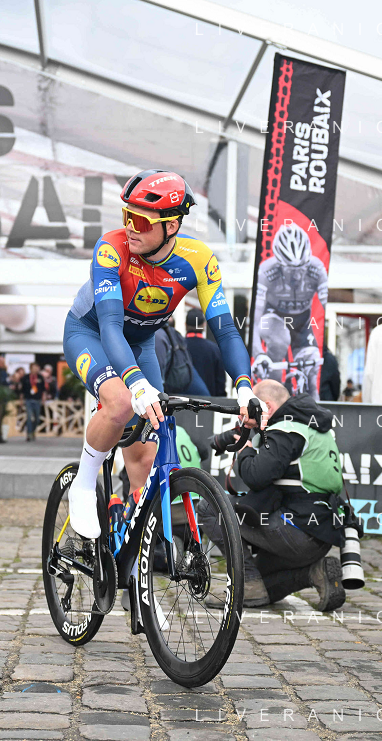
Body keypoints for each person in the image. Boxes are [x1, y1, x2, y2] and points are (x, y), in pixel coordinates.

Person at [62, 169, 256, 539]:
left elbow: (225, 330)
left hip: (140, 345)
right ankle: (84, 484)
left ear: (172, 226)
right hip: (91, 334)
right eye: (126, 215)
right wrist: (136, 384)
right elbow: (111, 326)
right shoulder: (111, 248)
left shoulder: (198, 259)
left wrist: (245, 387)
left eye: (139, 220)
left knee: (147, 455)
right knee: (121, 403)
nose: (129, 227)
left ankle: (135, 554)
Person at [202, 380, 347, 611]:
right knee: (262, 577)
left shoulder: (286, 429)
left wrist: (244, 449)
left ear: (267, 406)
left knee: (209, 507)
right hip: (320, 534)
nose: (246, 415)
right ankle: (314, 573)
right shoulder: (311, 425)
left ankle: (247, 582)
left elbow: (256, 476)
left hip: (297, 530)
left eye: (252, 408)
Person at [250, 222, 328, 396]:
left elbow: (327, 305)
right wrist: (259, 354)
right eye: (290, 270)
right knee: (280, 341)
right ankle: (274, 393)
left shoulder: (316, 268)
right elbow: (254, 321)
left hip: (302, 322)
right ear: (279, 263)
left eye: (302, 268)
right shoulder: (266, 271)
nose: (297, 275)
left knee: (311, 372)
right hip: (273, 317)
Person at [185, 307, 225, 396]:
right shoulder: (215, 349)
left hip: (181, 400)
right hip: (208, 401)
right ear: (204, 325)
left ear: (185, 325)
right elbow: (220, 383)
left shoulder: (178, 347)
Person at [21, 362, 45, 441]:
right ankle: (29, 433)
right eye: (34, 367)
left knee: (37, 419)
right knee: (29, 417)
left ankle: (33, 431)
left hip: (37, 400)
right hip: (28, 400)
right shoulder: (26, 378)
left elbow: (43, 389)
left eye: (37, 367)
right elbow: (22, 390)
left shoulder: (40, 377)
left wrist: (43, 398)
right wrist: (21, 400)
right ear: (31, 368)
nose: (36, 369)